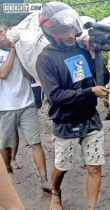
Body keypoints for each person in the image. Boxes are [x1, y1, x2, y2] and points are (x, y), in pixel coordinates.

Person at [36, 2, 110, 210]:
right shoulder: (46, 58)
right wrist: (90, 91)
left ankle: (91, 207)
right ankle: (56, 193)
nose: (69, 34)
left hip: (90, 118)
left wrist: (95, 54)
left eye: (70, 28)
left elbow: (103, 79)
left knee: (95, 167)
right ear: (50, 32)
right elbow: (56, 96)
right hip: (65, 120)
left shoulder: (83, 49)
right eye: (62, 30)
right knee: (62, 167)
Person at [0, 22, 52, 190]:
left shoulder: (19, 49)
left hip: (27, 104)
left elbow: (28, 74)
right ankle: (8, 170)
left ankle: (44, 180)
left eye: (0, 31)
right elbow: (3, 73)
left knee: (36, 143)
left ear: (6, 30)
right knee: (4, 145)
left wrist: (22, 52)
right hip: (5, 106)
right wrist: (13, 50)